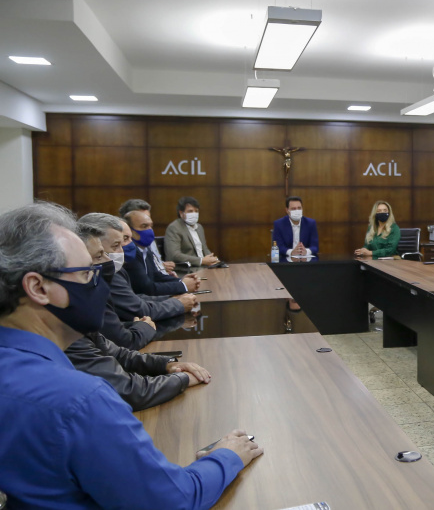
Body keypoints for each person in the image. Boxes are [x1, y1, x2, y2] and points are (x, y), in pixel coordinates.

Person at [0, 202, 262, 509]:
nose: (101, 281)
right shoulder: (81, 400)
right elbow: (171, 501)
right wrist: (227, 456)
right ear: (38, 287)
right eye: (87, 273)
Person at [66, 219, 211, 411]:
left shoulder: (74, 317)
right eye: (98, 257)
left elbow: (114, 351)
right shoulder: (59, 329)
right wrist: (181, 378)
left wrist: (166, 365)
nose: (109, 261)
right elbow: (129, 390)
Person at [78, 213, 160, 349]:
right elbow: (123, 341)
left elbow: (106, 334)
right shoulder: (93, 282)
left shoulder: (106, 274)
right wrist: (144, 328)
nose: (108, 259)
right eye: (117, 245)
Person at [109, 218, 195, 322]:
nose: (131, 244)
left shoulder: (142, 253)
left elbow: (136, 297)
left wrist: (172, 298)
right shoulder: (112, 272)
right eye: (125, 238)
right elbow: (141, 306)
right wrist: (179, 303)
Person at [124, 209, 200, 296]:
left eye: (150, 226)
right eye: (144, 226)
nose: (149, 230)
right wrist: (183, 286)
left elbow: (157, 276)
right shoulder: (130, 254)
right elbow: (147, 288)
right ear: (129, 231)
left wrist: (181, 280)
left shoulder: (146, 249)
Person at [119, 198, 176, 274]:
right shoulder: (125, 246)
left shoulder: (148, 239)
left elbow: (157, 260)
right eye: (144, 225)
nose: (149, 229)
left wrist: (164, 268)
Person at [165, 196, 219, 267]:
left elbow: (204, 249)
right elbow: (174, 255)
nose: (194, 214)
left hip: (204, 267)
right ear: (181, 213)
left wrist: (213, 259)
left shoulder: (199, 227)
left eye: (196, 211)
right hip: (188, 270)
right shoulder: (174, 228)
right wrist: (201, 261)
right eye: (190, 211)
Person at [273, 196, 318, 262]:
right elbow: (279, 246)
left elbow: (315, 246)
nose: (297, 211)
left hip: (306, 262)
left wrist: (306, 251)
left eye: (299, 208)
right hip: (286, 263)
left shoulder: (310, 223)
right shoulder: (279, 224)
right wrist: (291, 252)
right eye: (293, 209)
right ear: (287, 210)